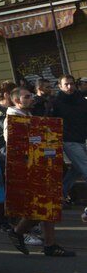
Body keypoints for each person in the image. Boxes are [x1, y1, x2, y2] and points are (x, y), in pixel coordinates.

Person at [5, 87, 75, 257]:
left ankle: (48, 244)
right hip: (29, 168)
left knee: (47, 205)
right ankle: (19, 232)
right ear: (17, 101)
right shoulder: (13, 119)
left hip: (40, 165)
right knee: (41, 206)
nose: (31, 99)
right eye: (27, 97)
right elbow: (14, 145)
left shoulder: (26, 115)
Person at [51, 74, 87, 206]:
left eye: (71, 83)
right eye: (66, 84)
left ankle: (60, 193)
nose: (69, 87)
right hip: (68, 140)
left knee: (77, 169)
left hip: (82, 138)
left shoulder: (81, 99)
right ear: (60, 86)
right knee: (85, 167)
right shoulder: (56, 102)